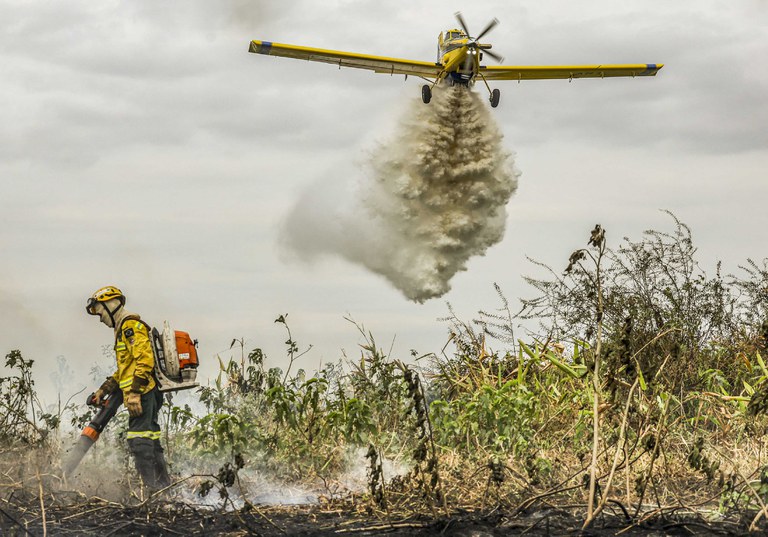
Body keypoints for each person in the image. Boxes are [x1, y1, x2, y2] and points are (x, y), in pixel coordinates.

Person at [86, 285, 171, 490]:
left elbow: (145, 360)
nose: (100, 319)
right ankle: (164, 490)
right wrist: (103, 390)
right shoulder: (123, 329)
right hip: (144, 392)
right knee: (151, 441)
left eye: (100, 312)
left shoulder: (130, 326)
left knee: (138, 440)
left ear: (110, 304)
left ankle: (152, 493)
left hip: (142, 392)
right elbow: (125, 370)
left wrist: (134, 392)